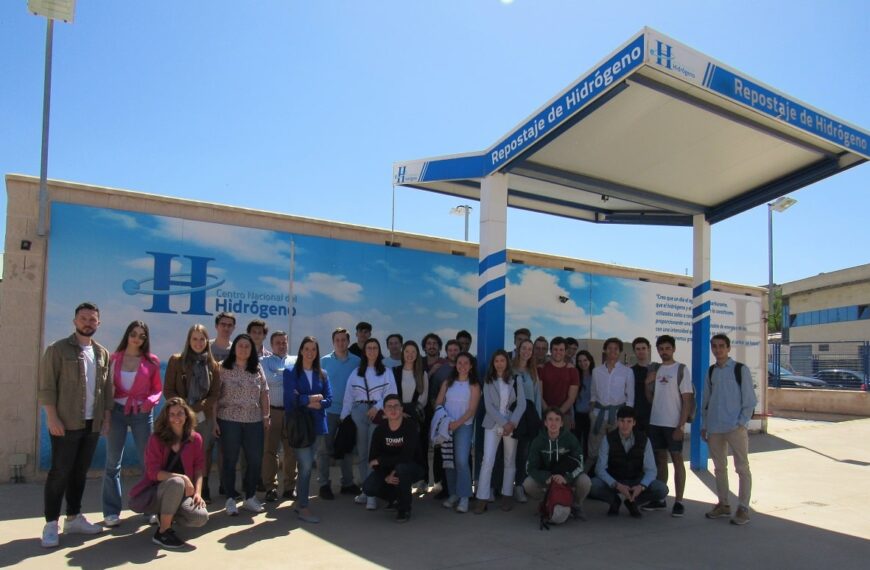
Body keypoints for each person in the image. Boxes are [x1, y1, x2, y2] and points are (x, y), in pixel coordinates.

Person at [39, 302, 112, 548]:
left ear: (98, 324)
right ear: (75, 321)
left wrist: (106, 418)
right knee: (60, 473)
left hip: (91, 424)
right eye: (83, 318)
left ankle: (73, 517)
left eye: (92, 319)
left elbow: (106, 390)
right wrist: (52, 417)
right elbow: (47, 387)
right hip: (66, 422)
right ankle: (51, 524)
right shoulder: (57, 349)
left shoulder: (102, 353)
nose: (88, 323)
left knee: (80, 472)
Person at [102, 321, 163, 527]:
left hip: (141, 413)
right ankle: (111, 511)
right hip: (118, 412)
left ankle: (150, 508)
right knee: (112, 463)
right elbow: (107, 390)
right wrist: (107, 416)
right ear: (127, 335)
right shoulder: (114, 358)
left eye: (141, 336)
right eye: (133, 334)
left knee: (148, 462)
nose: (137, 338)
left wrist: (149, 403)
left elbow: (157, 389)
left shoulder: (151, 361)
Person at [131, 397, 208, 549]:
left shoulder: (195, 439)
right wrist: (182, 477)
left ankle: (166, 515)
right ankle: (163, 532)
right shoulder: (156, 439)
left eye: (180, 413)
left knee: (200, 517)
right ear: (166, 417)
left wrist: (198, 493)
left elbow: (199, 467)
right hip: (156, 492)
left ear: (187, 415)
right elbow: (153, 473)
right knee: (177, 482)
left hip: (181, 494)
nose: (176, 418)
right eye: (172, 414)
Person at [702, 333, 757, 526]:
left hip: (735, 428)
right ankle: (723, 504)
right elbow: (706, 401)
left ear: (728, 348)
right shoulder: (711, 372)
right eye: (714, 346)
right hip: (715, 428)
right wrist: (704, 425)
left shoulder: (740, 370)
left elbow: (750, 401)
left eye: (721, 346)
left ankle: (743, 508)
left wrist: (741, 422)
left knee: (742, 468)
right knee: (719, 468)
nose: (718, 350)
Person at [163, 324, 222, 503]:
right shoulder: (176, 360)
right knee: (178, 453)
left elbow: (214, 394)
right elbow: (168, 390)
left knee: (201, 455)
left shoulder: (213, 366)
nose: (198, 343)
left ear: (207, 342)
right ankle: (178, 491)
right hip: (178, 418)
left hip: (203, 418)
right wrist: (183, 410)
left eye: (202, 339)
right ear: (189, 340)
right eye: (194, 339)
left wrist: (196, 408)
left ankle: (201, 490)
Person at [214, 333, 270, 515]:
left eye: (247, 346)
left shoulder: (257, 368)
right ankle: (230, 499)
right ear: (234, 348)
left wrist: (266, 416)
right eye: (240, 346)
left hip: (253, 421)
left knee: (254, 460)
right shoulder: (223, 368)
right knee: (230, 460)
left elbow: (264, 393)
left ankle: (250, 497)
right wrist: (214, 420)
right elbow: (215, 396)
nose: (244, 349)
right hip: (229, 420)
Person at [341, 338, 397, 509]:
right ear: (364, 352)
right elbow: (348, 396)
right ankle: (366, 491)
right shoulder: (356, 372)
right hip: (359, 412)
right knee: (363, 453)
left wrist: (378, 407)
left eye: (375, 348)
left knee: (375, 455)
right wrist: (344, 418)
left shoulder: (386, 371)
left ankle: (372, 494)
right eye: (369, 348)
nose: (372, 350)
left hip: (378, 414)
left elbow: (391, 394)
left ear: (379, 351)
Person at [643, 335, 693, 517]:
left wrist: (681, 426)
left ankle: (679, 501)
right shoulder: (655, 369)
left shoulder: (681, 369)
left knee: (677, 460)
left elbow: (687, 400)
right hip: (656, 422)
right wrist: (647, 383)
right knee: (660, 461)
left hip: (673, 424)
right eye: (661, 348)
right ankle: (661, 498)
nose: (664, 351)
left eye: (667, 348)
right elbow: (650, 399)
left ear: (673, 349)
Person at [284, 336, 332, 524]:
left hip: (318, 425)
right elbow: (290, 400)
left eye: (314, 349)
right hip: (300, 426)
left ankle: (299, 501)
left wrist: (314, 402)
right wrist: (312, 399)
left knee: (308, 465)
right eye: (307, 349)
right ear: (301, 350)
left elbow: (329, 398)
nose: (310, 352)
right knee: (304, 467)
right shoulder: (290, 373)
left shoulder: (323, 374)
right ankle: (303, 506)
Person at [589, 406, 667, 518]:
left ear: (634, 422)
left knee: (661, 489)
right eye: (622, 421)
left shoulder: (644, 440)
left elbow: (651, 470)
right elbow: (599, 468)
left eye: (629, 421)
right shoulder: (607, 439)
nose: (625, 425)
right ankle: (614, 501)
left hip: (636, 479)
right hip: (615, 479)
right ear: (617, 422)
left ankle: (633, 501)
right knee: (593, 485)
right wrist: (617, 485)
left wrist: (641, 486)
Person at [474, 350, 525, 514]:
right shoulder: (488, 381)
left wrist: (511, 423)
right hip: (493, 423)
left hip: (512, 424)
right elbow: (489, 406)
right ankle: (482, 498)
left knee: (509, 460)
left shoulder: (516, 379)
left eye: (502, 360)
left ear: (507, 362)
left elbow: (522, 404)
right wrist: (504, 423)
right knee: (487, 460)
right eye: (496, 361)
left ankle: (507, 496)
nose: (499, 364)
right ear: (493, 363)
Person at [363, 395, 424, 523]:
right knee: (368, 487)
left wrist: (381, 461)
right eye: (389, 407)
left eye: (396, 406)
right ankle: (395, 498)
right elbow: (372, 459)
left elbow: (406, 456)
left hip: (412, 467)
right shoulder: (379, 431)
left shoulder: (410, 427)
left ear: (402, 409)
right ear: (384, 411)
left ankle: (404, 508)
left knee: (401, 469)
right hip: (388, 469)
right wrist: (386, 476)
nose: (393, 409)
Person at [523, 407, 591, 519]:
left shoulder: (570, 438)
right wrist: (546, 477)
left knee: (585, 481)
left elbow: (580, 463)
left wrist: (566, 478)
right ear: (545, 423)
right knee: (528, 484)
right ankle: (546, 502)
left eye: (557, 419)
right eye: (550, 419)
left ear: (562, 423)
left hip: (566, 476)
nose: (553, 423)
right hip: (548, 478)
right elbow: (530, 468)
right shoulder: (537, 441)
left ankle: (576, 505)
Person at [318, 327, 362, 499]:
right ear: (333, 341)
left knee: (347, 449)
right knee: (324, 449)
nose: (341, 342)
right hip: (328, 411)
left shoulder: (357, 361)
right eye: (337, 340)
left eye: (344, 340)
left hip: (349, 411)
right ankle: (323, 484)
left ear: (348, 342)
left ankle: (347, 483)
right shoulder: (324, 361)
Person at [435, 352, 481, 514]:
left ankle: (464, 497)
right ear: (455, 364)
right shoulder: (448, 382)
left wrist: (457, 423)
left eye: (466, 363)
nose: (462, 366)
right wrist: (446, 421)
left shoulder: (474, 385)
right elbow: (439, 402)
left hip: (464, 426)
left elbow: (472, 410)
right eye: (459, 363)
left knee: (461, 461)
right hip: (446, 426)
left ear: (471, 366)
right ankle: (453, 494)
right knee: (449, 461)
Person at [260, 331, 296, 502]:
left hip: (291, 412)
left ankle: (290, 487)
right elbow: (269, 380)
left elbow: (295, 381)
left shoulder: (296, 361)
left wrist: (279, 376)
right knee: (269, 451)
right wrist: (286, 377)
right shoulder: (263, 362)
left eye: (284, 342)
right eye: (278, 343)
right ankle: (270, 487)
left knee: (291, 451)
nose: (281, 345)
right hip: (272, 412)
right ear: (272, 344)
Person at [588, 337, 634, 465]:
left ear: (619, 351)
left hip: (618, 416)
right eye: (609, 348)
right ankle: (595, 476)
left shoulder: (627, 371)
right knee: (595, 448)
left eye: (616, 349)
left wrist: (627, 418)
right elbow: (593, 394)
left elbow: (630, 397)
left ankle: (615, 474)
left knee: (617, 447)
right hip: (598, 415)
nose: (612, 351)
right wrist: (591, 413)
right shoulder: (597, 371)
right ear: (605, 350)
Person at [392, 340, 429, 485]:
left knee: (417, 448)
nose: (410, 354)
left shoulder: (422, 373)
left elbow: (423, 398)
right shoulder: (395, 371)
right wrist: (400, 412)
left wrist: (409, 412)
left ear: (417, 354)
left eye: (413, 352)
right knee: (398, 450)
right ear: (403, 353)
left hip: (414, 415)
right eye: (407, 351)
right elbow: (391, 394)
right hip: (397, 414)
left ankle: (421, 480)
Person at [511, 338, 542, 504]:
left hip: (529, 418)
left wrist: (538, 419)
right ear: (518, 349)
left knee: (524, 453)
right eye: (524, 348)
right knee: (508, 454)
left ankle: (520, 486)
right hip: (512, 416)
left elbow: (537, 397)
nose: (527, 351)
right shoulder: (510, 369)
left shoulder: (533, 372)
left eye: (530, 349)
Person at [538, 337, 579, 426]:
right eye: (555, 349)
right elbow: (539, 395)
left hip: (564, 416)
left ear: (565, 351)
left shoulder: (572, 371)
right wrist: (549, 413)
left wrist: (557, 414)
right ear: (551, 350)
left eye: (561, 350)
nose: (558, 352)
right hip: (545, 414)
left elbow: (571, 398)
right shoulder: (542, 369)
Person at [574, 350, 595, 464]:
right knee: (577, 443)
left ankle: (588, 471)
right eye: (580, 361)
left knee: (589, 443)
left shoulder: (595, 376)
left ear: (590, 360)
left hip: (591, 415)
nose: (583, 363)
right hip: (578, 415)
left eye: (585, 360)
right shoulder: (576, 375)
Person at [630, 337, 654, 432]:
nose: (641, 351)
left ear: (648, 350)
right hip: (636, 415)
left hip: (654, 416)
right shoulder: (630, 372)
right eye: (638, 349)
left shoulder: (657, 370)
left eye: (644, 348)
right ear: (634, 351)